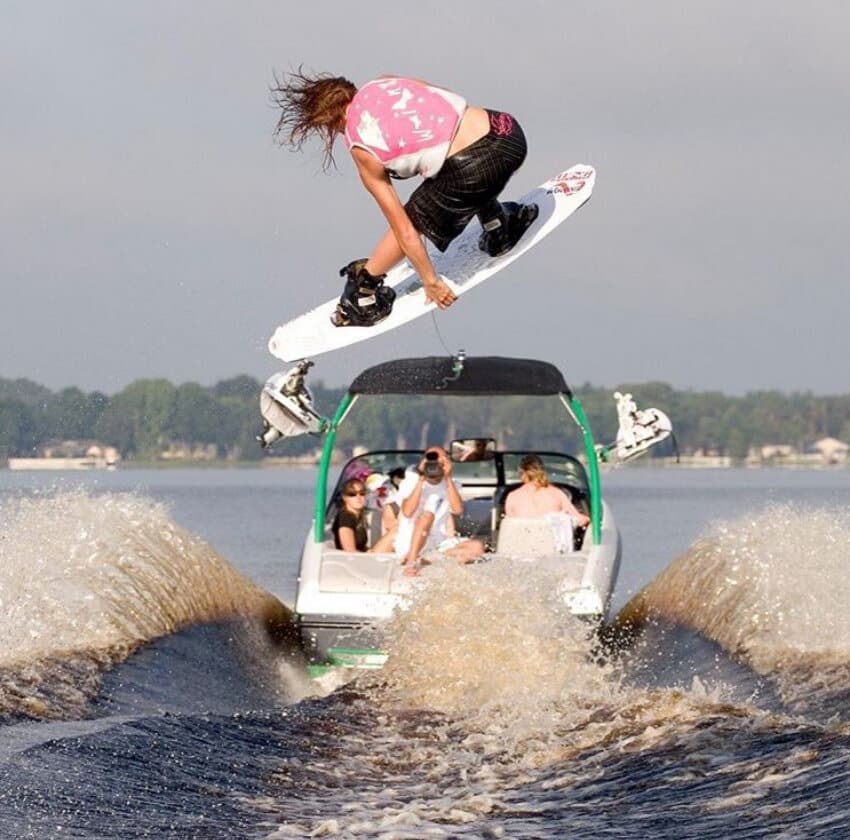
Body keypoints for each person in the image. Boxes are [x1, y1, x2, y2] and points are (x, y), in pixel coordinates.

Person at [271, 71, 537, 327]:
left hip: (475, 171)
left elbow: (406, 231)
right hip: (507, 132)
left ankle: (361, 292)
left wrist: (430, 280)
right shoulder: (383, 82)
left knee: (416, 212)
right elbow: (440, 101)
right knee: (444, 177)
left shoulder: (361, 147)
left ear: (329, 120)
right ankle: (497, 225)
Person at [393, 446, 485, 575]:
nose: (435, 465)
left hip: (437, 545)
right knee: (427, 516)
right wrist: (421, 478)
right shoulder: (411, 481)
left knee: (477, 547)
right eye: (431, 459)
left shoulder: (451, 484)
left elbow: (458, 510)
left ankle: (426, 559)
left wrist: (448, 477)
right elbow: (407, 512)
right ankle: (411, 561)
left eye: (440, 461)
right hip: (410, 543)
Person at [505, 455, 591, 527]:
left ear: (521, 473)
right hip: (550, 546)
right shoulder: (557, 494)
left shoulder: (512, 496)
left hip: (521, 546)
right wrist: (588, 519)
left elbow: (509, 526)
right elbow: (579, 520)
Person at [332, 478, 397, 553]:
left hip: (364, 555)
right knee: (396, 531)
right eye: (352, 494)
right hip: (356, 560)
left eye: (362, 493)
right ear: (344, 497)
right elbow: (350, 551)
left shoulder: (358, 516)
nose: (358, 497)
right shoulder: (345, 517)